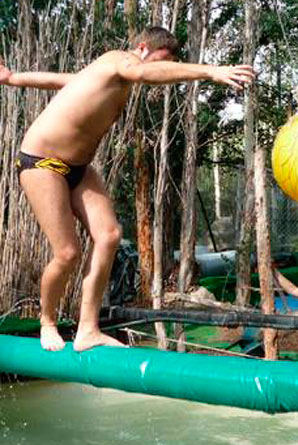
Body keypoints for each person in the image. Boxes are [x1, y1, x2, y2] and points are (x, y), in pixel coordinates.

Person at [0, 27, 255, 352]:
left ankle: (87, 329)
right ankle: (47, 322)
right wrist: (209, 71)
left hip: (79, 168)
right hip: (42, 162)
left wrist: (14, 78)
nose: (161, 71)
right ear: (144, 48)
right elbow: (144, 71)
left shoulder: (108, 75)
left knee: (108, 235)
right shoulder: (122, 60)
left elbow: (61, 80)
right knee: (67, 253)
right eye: (163, 61)